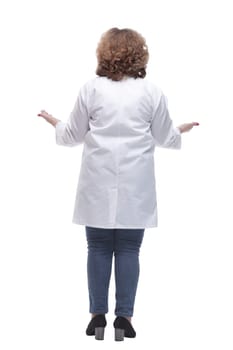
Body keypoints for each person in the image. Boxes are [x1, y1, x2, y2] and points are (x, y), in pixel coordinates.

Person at [37, 27, 199, 341]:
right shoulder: (151, 92)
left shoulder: (91, 89)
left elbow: (72, 135)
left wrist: (55, 122)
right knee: (128, 250)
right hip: (135, 184)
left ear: (103, 53)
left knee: (97, 248)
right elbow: (166, 137)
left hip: (97, 180)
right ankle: (124, 319)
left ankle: (97, 316)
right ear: (141, 53)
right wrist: (181, 130)